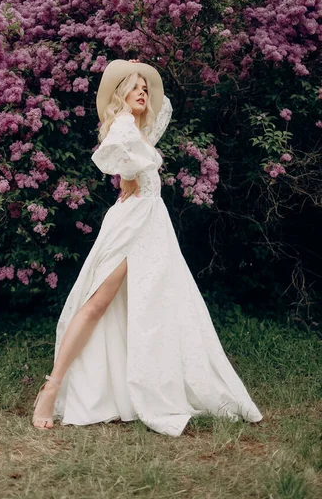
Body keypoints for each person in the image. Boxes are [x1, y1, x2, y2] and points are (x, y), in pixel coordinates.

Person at [32, 59, 263, 437]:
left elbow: (160, 108)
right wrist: (128, 174)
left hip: (151, 222)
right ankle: (52, 386)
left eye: (145, 87)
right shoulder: (123, 127)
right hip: (133, 221)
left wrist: (140, 77)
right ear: (120, 95)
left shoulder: (139, 130)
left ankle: (133, 384)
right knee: (97, 303)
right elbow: (114, 155)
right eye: (135, 86)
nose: (143, 92)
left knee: (149, 305)